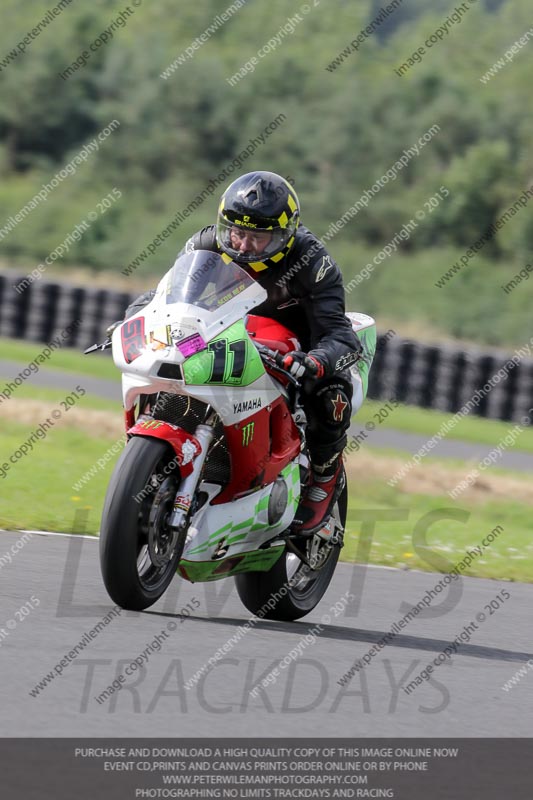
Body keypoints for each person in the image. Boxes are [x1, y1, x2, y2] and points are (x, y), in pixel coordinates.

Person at [125, 171, 362, 535]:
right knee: (172, 361)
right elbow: (165, 298)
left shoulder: (313, 261)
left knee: (331, 395)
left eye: (258, 236)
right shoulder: (205, 244)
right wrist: (134, 319)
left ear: (284, 234)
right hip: (225, 333)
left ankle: (323, 478)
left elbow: (339, 334)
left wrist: (315, 361)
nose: (245, 245)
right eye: (237, 232)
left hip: (295, 347)